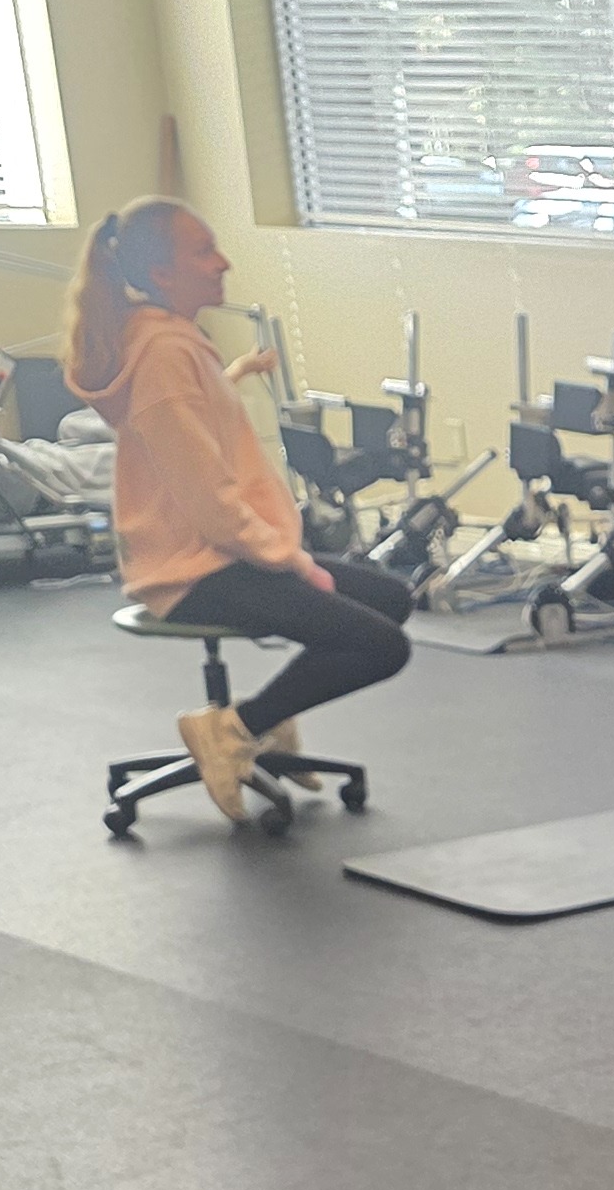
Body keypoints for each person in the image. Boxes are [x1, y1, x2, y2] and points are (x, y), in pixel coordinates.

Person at [63, 199, 412, 823]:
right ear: (162, 273)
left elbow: (193, 432)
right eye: (203, 251)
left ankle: (264, 722)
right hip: (192, 571)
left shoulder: (170, 343)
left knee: (390, 598)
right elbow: (207, 495)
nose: (222, 262)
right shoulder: (163, 353)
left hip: (222, 553)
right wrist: (290, 561)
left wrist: (237, 373)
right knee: (383, 646)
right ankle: (232, 731)